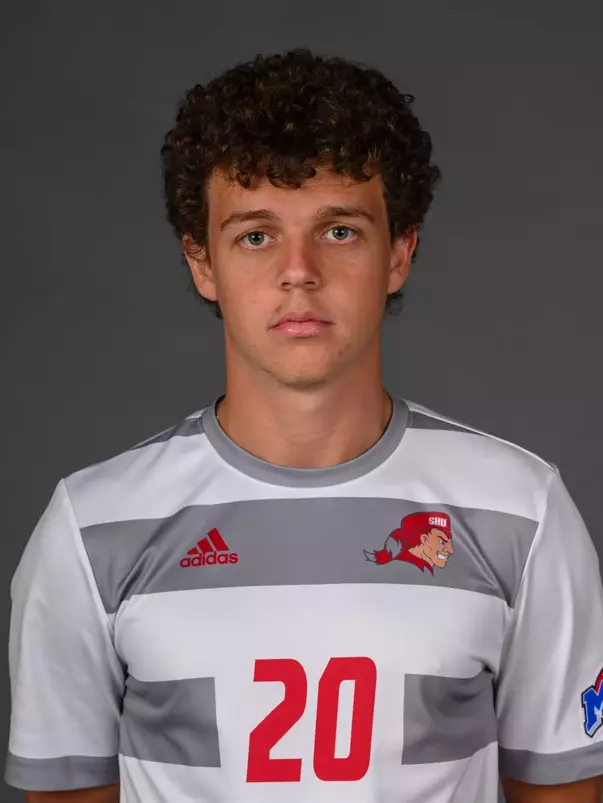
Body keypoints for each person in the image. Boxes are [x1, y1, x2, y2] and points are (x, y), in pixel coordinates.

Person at [5, 48, 603, 803]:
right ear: (202, 263)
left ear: (399, 253)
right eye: (255, 235)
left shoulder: (524, 512)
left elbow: (561, 792)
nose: (298, 270)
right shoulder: (91, 530)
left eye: (340, 231)